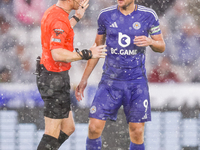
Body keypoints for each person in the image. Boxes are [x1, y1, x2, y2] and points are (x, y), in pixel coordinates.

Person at [75, 0, 165, 149]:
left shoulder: (148, 15)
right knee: (93, 127)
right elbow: (97, 48)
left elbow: (161, 46)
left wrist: (150, 41)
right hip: (110, 82)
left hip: (136, 83)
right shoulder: (105, 15)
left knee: (137, 131)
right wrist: (84, 78)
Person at [36, 0, 107, 150]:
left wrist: (75, 18)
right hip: (53, 79)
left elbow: (61, 32)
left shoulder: (54, 11)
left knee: (68, 128)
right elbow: (57, 54)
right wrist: (87, 54)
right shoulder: (59, 19)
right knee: (51, 134)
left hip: (53, 76)